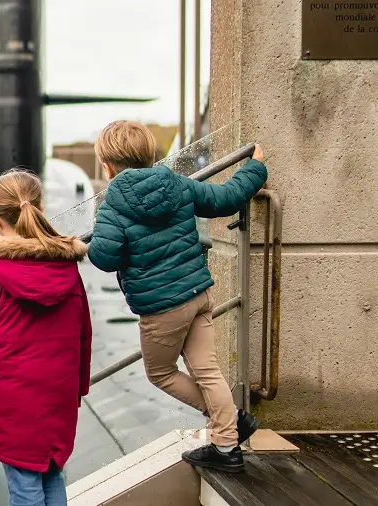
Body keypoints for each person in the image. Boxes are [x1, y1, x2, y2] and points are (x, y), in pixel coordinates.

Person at [86, 120, 268, 473]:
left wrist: (130, 253)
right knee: (208, 370)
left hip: (161, 308)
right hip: (198, 293)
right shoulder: (176, 183)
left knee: (161, 373)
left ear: (106, 167)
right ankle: (227, 441)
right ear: (151, 155)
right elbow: (225, 198)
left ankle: (226, 423)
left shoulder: (113, 204)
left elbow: (103, 258)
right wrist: (256, 167)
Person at [0, 168, 93, 506]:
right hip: (56, 397)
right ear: (39, 207)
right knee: (51, 473)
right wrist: (78, 388)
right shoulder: (67, 268)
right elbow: (83, 334)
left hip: (10, 403)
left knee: (24, 486)